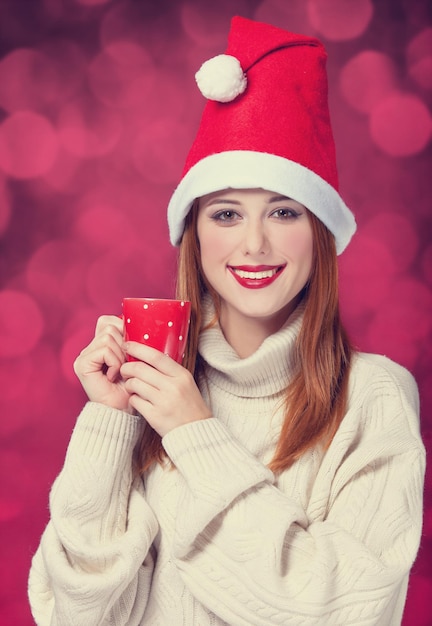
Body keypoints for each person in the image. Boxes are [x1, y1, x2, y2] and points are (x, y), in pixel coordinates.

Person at [28, 16, 425, 626]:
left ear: (320, 235)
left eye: (285, 211)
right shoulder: (148, 392)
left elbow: (349, 612)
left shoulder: (373, 396)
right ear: (194, 236)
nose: (256, 245)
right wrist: (108, 425)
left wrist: (196, 435)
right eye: (227, 214)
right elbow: (75, 614)